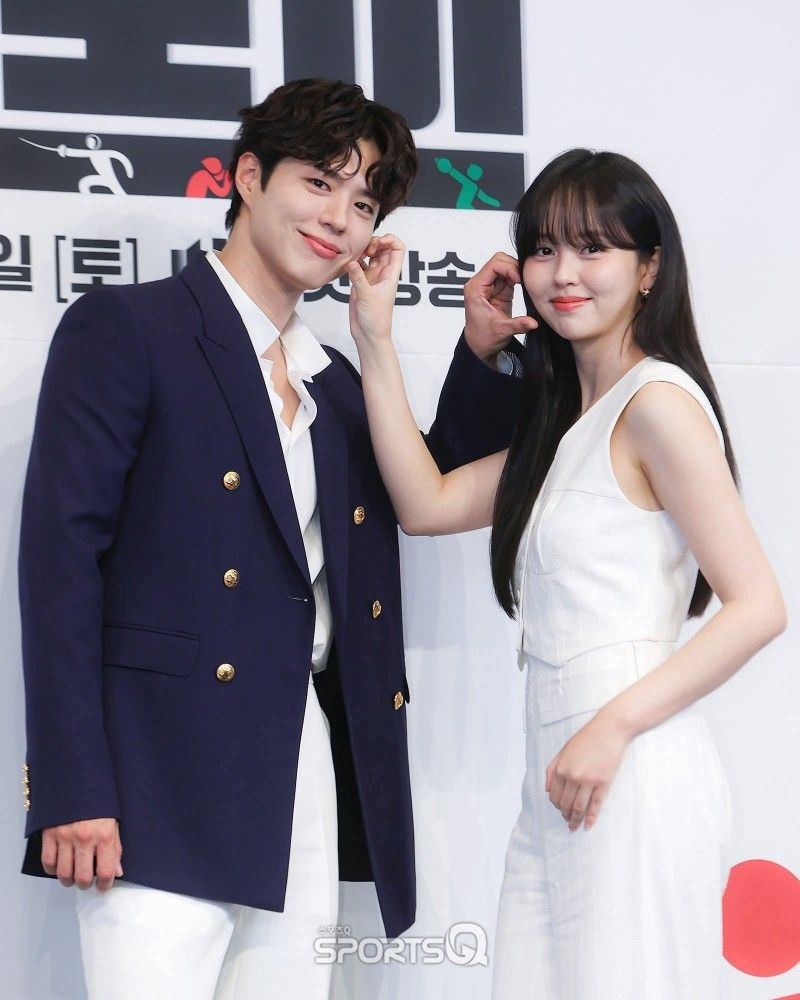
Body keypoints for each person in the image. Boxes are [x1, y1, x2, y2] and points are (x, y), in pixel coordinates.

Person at [18, 78, 528, 1000]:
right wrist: (72, 786)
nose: (339, 219)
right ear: (249, 177)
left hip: (301, 762)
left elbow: (427, 491)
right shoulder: (130, 330)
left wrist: (477, 351)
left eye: (363, 203)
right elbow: (60, 570)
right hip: (157, 771)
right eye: (319, 182)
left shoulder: (332, 382)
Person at [345, 148, 786, 998]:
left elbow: (758, 605)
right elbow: (426, 502)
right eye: (544, 249)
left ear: (649, 268)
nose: (563, 273)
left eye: (593, 247)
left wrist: (613, 727)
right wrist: (375, 336)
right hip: (556, 773)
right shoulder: (565, 426)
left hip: (631, 760)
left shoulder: (657, 403)